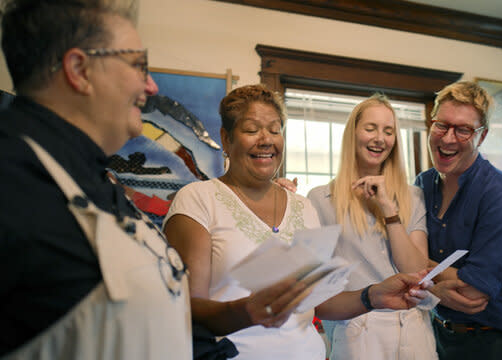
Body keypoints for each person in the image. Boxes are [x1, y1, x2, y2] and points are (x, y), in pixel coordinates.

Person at [163, 84, 432, 360]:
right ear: (226, 138)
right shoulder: (198, 200)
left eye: (275, 129)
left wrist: (373, 295)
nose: (266, 139)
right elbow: (187, 308)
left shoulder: (303, 207)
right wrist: (247, 310)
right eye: (252, 130)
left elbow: (320, 303)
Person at [0, 0, 193, 358]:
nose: (151, 86)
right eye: (139, 66)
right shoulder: (11, 181)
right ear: (80, 70)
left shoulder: (96, 181)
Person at [306, 94, 439, 360]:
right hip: (357, 333)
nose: (380, 138)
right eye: (371, 128)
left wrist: (389, 211)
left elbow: (416, 271)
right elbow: (316, 296)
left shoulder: (412, 196)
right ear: (353, 133)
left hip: (414, 331)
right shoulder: (320, 199)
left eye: (388, 131)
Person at [414, 81, 502, 359]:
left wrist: (419, 271)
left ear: (482, 136)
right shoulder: (422, 183)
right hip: (437, 336)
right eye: (441, 125)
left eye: (463, 129)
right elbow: (398, 257)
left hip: (493, 343)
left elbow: (471, 292)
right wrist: (439, 285)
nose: (448, 138)